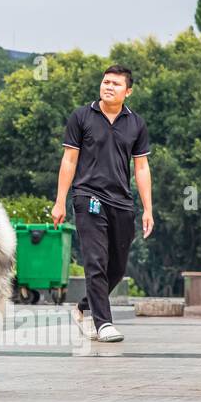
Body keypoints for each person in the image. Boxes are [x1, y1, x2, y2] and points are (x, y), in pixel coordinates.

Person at [52, 64, 154, 343]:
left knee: (117, 268)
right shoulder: (82, 116)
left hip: (122, 202)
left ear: (128, 91)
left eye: (115, 84)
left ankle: (84, 307)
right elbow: (69, 161)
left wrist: (148, 208)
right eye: (105, 82)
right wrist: (60, 202)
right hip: (88, 198)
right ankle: (104, 323)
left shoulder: (136, 124)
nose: (108, 87)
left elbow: (142, 168)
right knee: (95, 261)